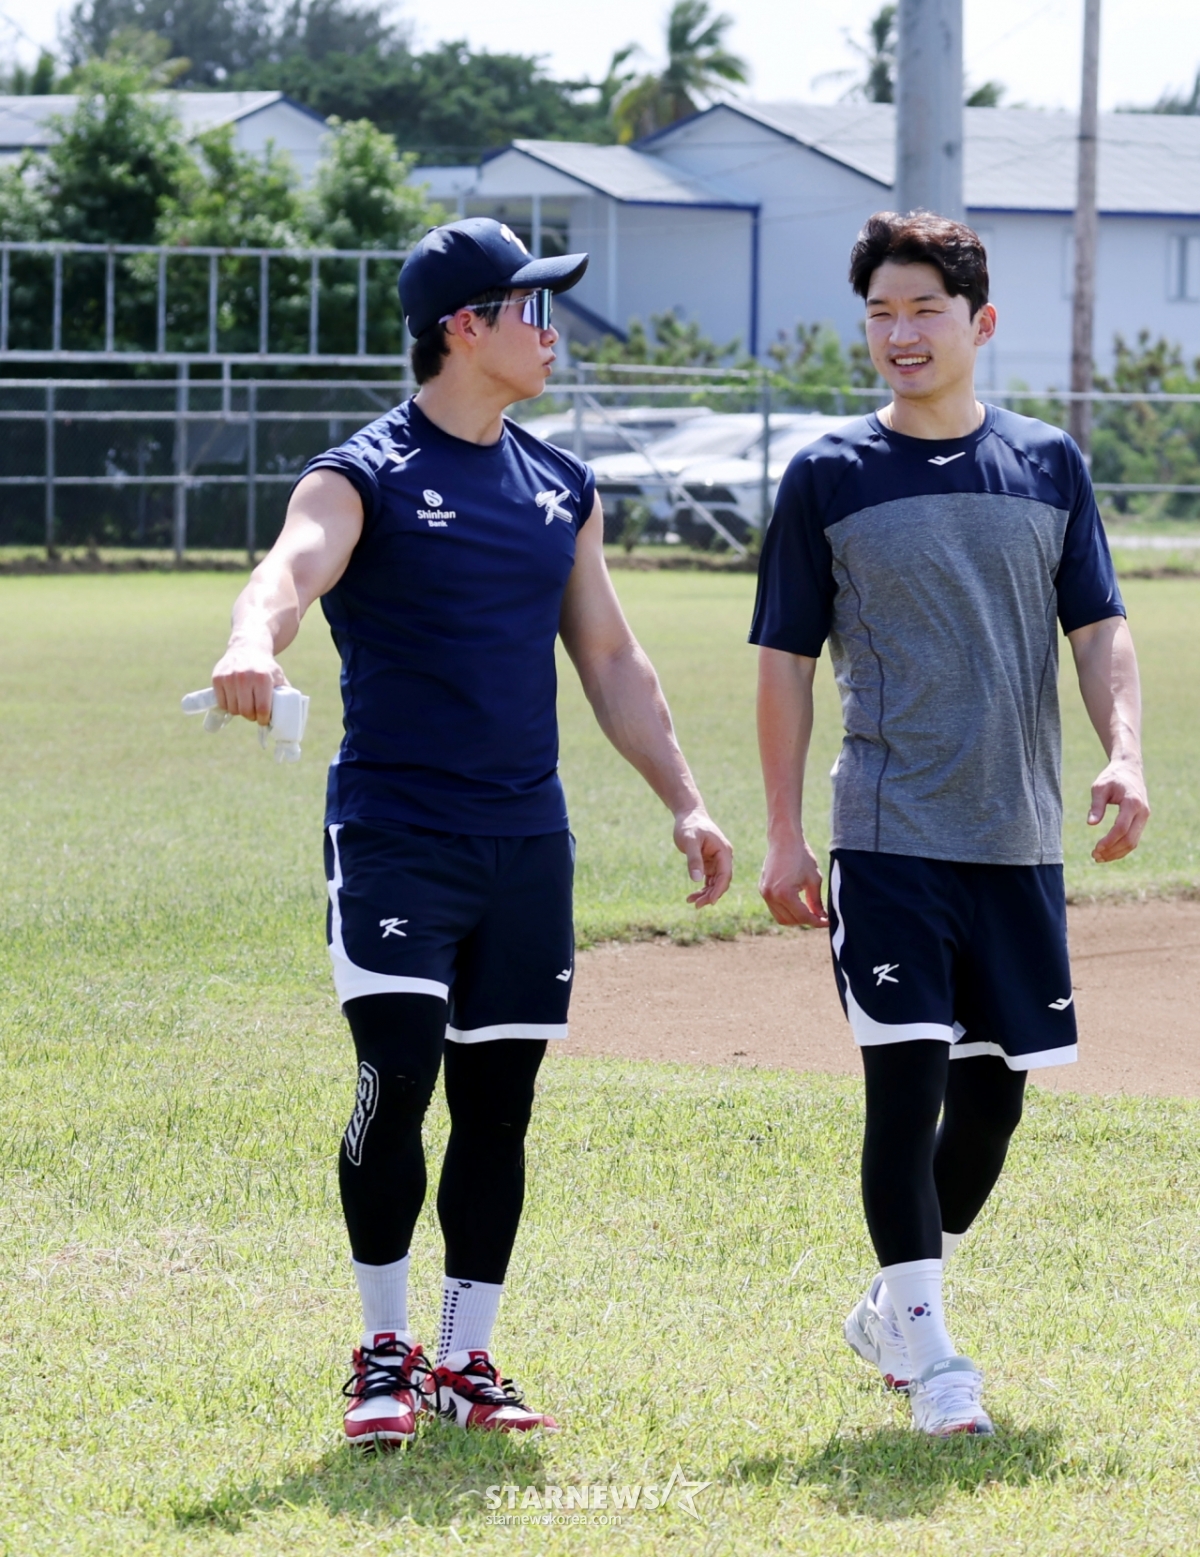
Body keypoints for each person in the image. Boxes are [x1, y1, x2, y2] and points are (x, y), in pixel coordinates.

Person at [209, 217, 733, 1446]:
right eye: (529, 308)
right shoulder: (363, 472)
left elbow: (611, 658)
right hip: (396, 832)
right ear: (464, 328)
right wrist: (248, 642)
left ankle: (464, 1357)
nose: (551, 331)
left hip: (525, 845)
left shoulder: (562, 489)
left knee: (500, 1106)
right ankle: (383, 1349)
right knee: (397, 1081)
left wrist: (686, 798)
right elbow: (290, 569)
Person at [751, 211, 1149, 1436]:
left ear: (980, 323)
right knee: (904, 1081)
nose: (902, 332)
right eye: (881, 312)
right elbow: (783, 663)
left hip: (1016, 836)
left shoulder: (1048, 463)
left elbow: (1100, 628)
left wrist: (1127, 753)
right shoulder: (829, 474)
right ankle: (934, 1364)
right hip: (887, 832)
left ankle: (892, 1304)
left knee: (992, 1105)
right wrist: (784, 833)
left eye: (925, 309)